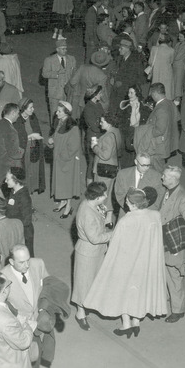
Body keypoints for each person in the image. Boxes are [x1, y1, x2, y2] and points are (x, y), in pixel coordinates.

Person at [84, 188, 167, 336]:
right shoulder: (155, 215)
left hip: (127, 262)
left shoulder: (126, 220)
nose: (126, 203)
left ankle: (127, 325)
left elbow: (115, 243)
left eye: (128, 201)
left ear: (133, 204)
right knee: (139, 290)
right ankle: (136, 322)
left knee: (124, 291)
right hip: (146, 263)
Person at [72, 182, 114, 330]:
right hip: (88, 253)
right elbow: (95, 238)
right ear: (96, 197)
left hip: (95, 252)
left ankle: (87, 306)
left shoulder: (90, 204)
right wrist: (113, 234)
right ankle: (80, 313)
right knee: (83, 284)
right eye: (104, 195)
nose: (106, 196)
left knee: (92, 282)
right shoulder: (87, 213)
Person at [159, 166, 185, 324]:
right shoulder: (169, 191)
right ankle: (170, 301)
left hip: (174, 245)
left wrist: (176, 249)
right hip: (164, 240)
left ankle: (177, 310)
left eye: (165, 176)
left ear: (173, 180)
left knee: (174, 278)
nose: (162, 178)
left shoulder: (182, 197)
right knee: (167, 274)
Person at [47, 101, 85, 218]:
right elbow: (55, 136)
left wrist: (62, 156)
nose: (56, 112)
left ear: (66, 113)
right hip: (59, 158)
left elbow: (74, 146)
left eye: (59, 111)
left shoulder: (73, 127)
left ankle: (68, 206)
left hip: (67, 160)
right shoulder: (59, 122)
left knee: (67, 183)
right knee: (60, 182)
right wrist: (51, 141)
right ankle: (62, 201)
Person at [136, 82, 179, 175]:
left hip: (158, 146)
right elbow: (176, 118)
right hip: (166, 142)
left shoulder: (161, 109)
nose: (151, 96)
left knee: (157, 171)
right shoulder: (170, 103)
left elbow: (159, 130)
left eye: (151, 93)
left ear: (155, 93)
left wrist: (146, 132)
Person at [1, 244, 49, 327]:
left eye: (28, 260)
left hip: (41, 318)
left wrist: (43, 308)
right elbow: (2, 305)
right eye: (21, 262)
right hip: (21, 325)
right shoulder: (2, 278)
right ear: (11, 262)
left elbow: (48, 285)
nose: (27, 265)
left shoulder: (38, 264)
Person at [14, 99, 46, 195]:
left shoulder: (32, 117)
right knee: (26, 174)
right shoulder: (17, 120)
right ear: (24, 109)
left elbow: (38, 130)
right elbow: (17, 139)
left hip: (33, 149)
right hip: (24, 151)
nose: (33, 109)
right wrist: (31, 136)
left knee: (33, 173)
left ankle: (30, 192)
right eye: (30, 107)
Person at [41, 37, 77, 118]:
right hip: (55, 93)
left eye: (66, 48)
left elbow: (75, 73)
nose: (65, 50)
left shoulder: (72, 59)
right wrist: (56, 74)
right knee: (55, 115)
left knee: (67, 115)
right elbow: (44, 74)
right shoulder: (49, 60)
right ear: (57, 49)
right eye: (62, 49)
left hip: (68, 93)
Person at [0, 103, 24, 181]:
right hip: (4, 169)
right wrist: (23, 151)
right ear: (13, 113)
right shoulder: (11, 130)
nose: (18, 115)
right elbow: (13, 153)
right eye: (18, 113)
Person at [5, 168, 34, 255]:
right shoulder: (13, 191)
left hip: (23, 233)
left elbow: (26, 220)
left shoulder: (23, 197)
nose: (5, 181)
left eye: (8, 179)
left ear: (16, 180)